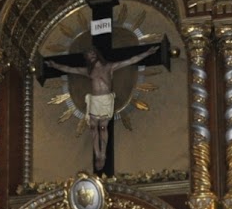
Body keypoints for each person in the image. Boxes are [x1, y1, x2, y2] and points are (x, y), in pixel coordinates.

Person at [51, 44, 156, 173]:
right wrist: (54, 65)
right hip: (95, 100)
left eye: (92, 52)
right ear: (87, 58)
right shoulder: (89, 71)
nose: (91, 55)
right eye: (88, 55)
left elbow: (130, 60)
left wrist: (147, 53)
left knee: (102, 127)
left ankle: (103, 154)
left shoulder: (109, 67)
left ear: (97, 53)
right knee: (93, 127)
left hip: (106, 100)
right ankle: (97, 154)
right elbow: (70, 69)